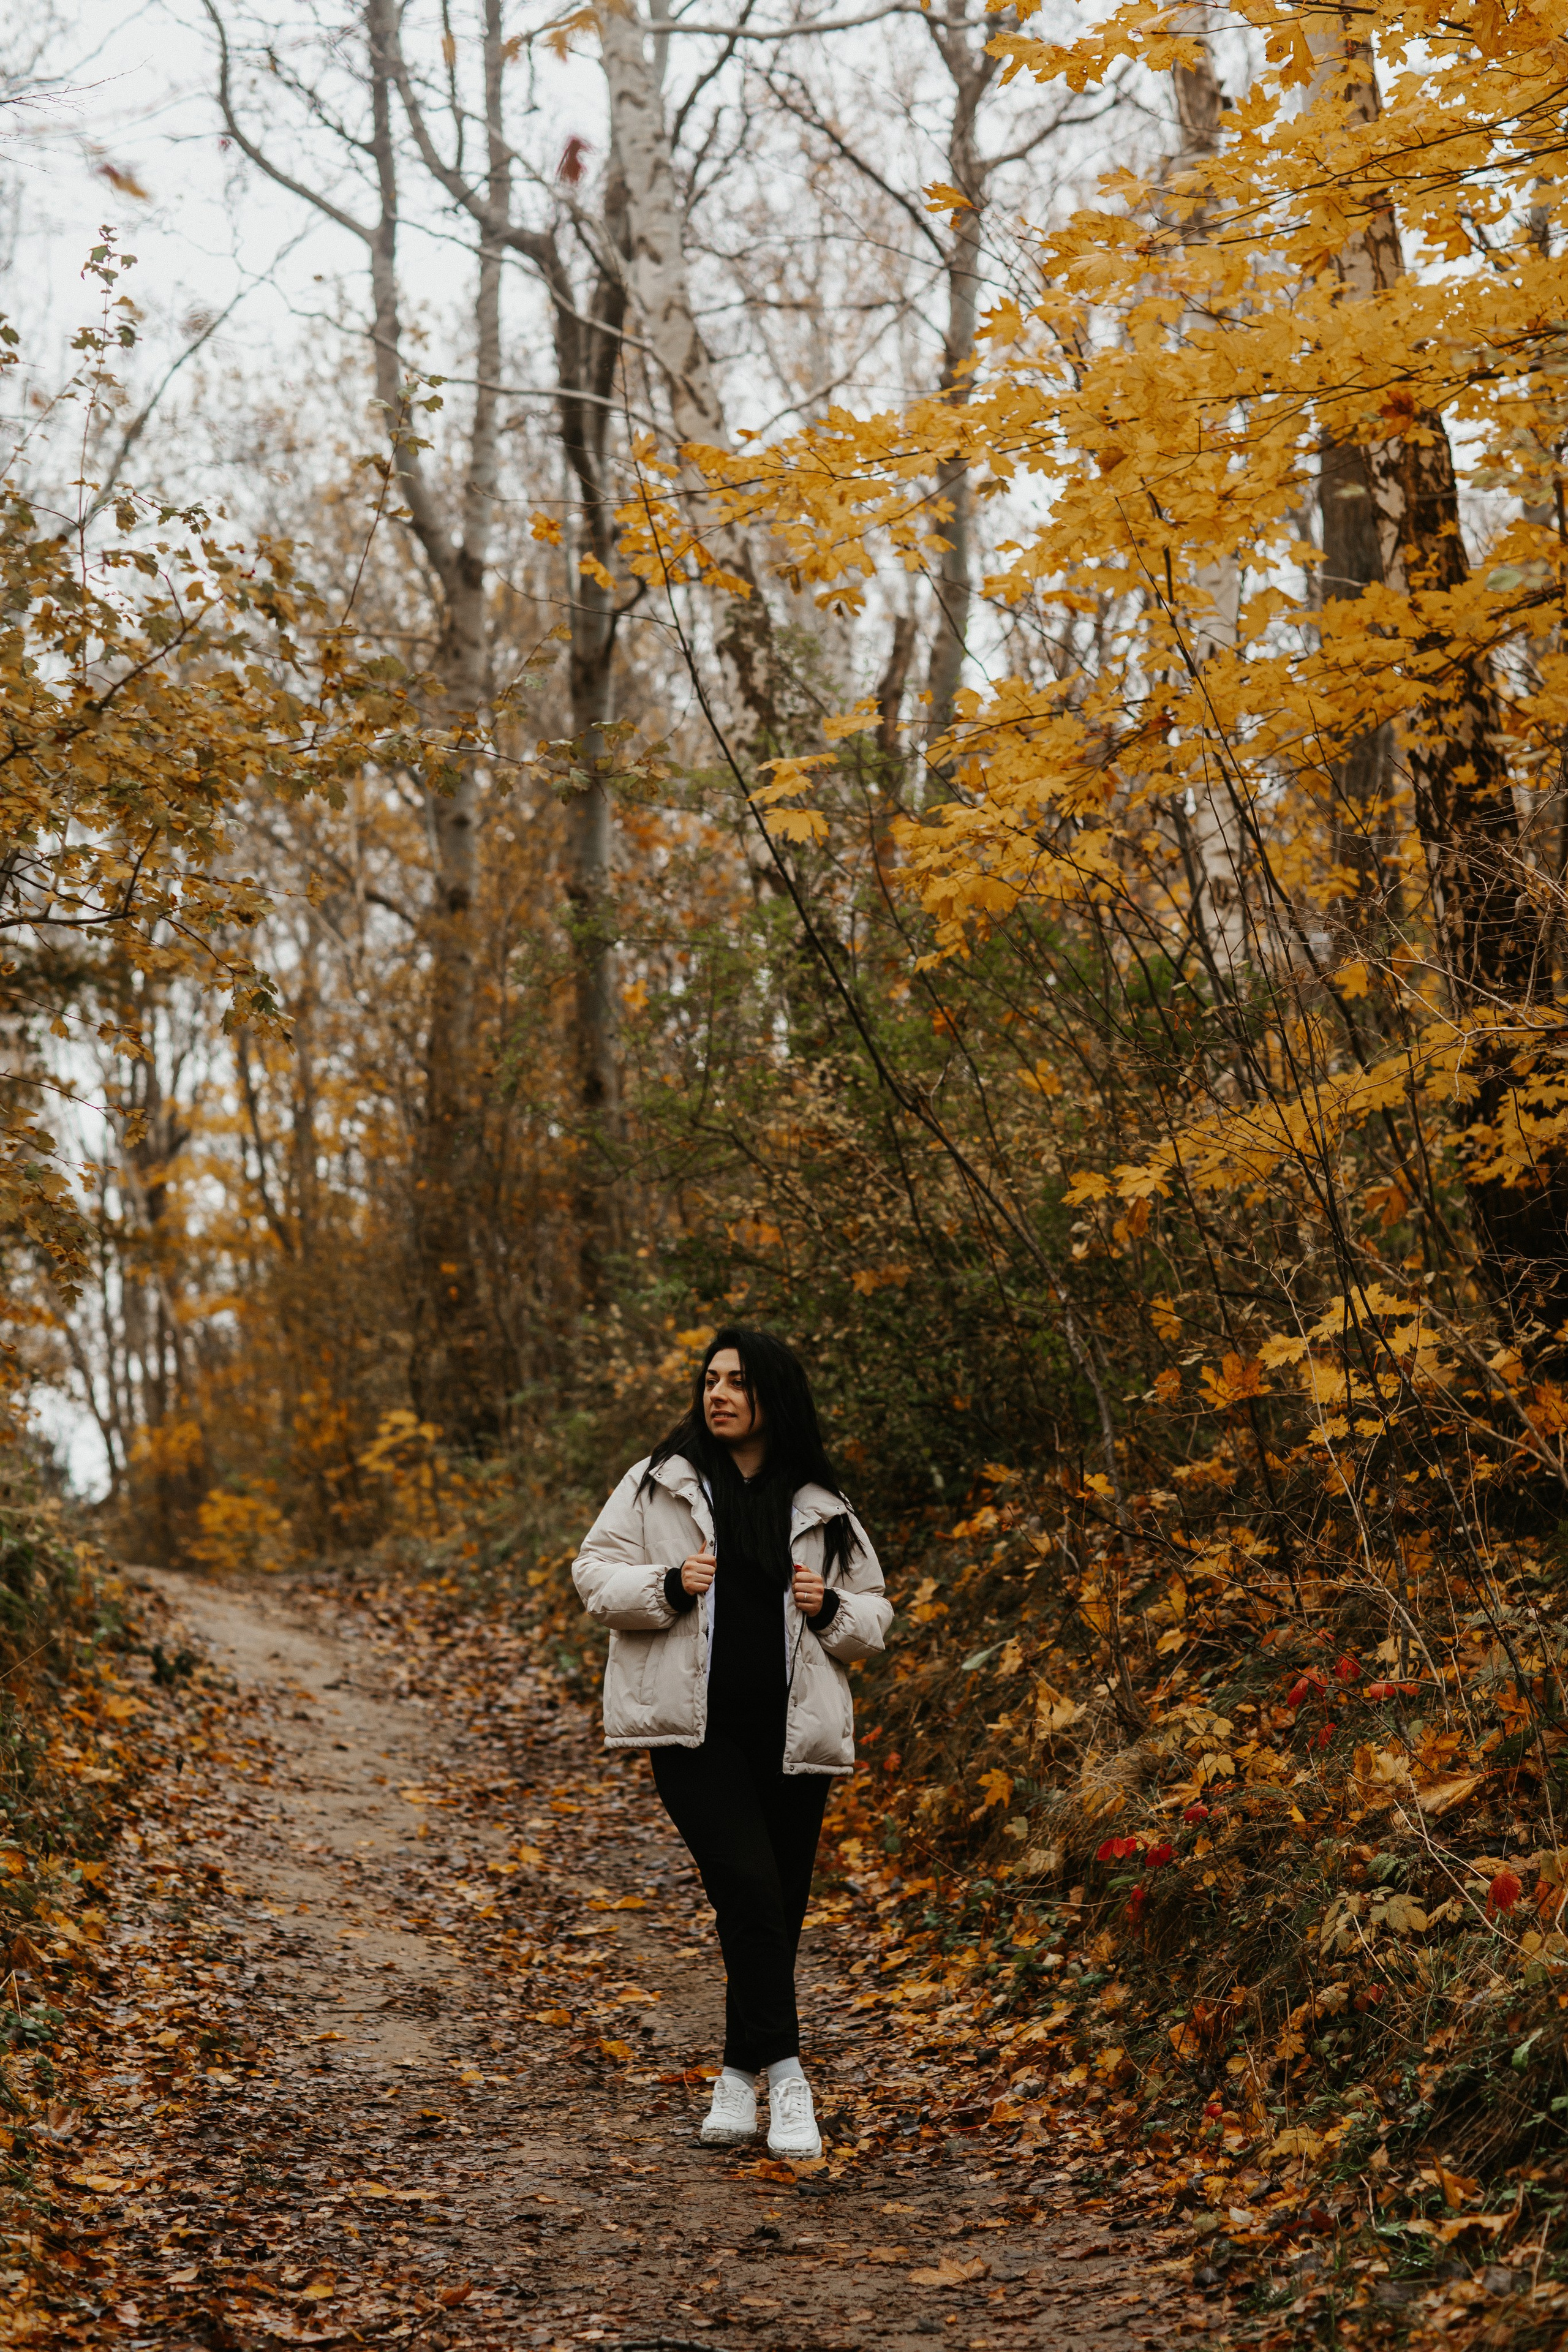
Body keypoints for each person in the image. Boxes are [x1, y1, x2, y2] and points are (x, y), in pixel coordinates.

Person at [573, 1326, 892, 2158]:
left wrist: (831, 1612)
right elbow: (593, 1577)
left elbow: (875, 1618)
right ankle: (789, 2081)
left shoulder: (821, 1504)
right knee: (749, 1892)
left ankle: (734, 2077)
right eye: (710, 1379)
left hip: (792, 1736)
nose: (717, 1394)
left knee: (776, 1912)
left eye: (737, 1382)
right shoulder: (658, 1486)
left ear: (771, 1397)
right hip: (693, 1735)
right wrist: (668, 1585)